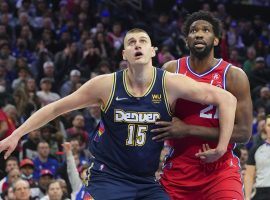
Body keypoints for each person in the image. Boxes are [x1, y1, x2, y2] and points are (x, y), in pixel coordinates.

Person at [0, 28, 237, 199]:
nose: (137, 45)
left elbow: (226, 98)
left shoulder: (170, 83)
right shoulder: (106, 85)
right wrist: (16, 134)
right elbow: (55, 108)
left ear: (152, 51)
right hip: (108, 177)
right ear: (124, 53)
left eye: (143, 41)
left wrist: (220, 147)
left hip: (146, 181)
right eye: (131, 42)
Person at [152, 11, 252, 199]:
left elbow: (244, 133)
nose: (198, 34)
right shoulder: (171, 70)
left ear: (216, 40)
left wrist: (189, 129)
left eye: (206, 30)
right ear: (187, 40)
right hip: (179, 168)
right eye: (193, 31)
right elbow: (160, 118)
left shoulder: (234, 76)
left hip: (220, 170)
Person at [244, 115, 270, 200]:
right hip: (261, 193)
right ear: (265, 128)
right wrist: (247, 197)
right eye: (269, 125)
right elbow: (249, 175)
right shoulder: (256, 149)